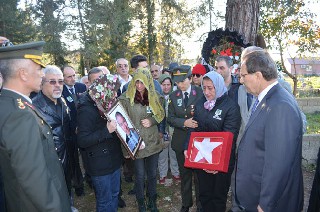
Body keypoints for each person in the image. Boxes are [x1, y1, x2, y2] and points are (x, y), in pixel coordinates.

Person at [0, 41, 71, 211]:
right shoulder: (19, 114)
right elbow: (33, 178)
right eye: (39, 69)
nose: (41, 75)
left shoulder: (11, 104)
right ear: (23, 74)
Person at [235, 50, 304, 212]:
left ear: (258, 75)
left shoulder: (280, 106)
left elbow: (278, 164)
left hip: (272, 203)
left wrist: (266, 204)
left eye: (244, 75)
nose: (241, 80)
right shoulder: (268, 99)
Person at [184, 71, 241, 212]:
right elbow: (193, 127)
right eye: (204, 88)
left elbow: (229, 137)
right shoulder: (200, 103)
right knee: (204, 196)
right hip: (202, 159)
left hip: (221, 163)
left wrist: (215, 162)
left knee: (217, 198)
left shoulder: (231, 107)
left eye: (210, 88)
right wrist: (188, 147)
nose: (207, 92)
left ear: (219, 86)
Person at [118, 67, 165, 212]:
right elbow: (120, 122)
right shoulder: (125, 98)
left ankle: (152, 200)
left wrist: (152, 121)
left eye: (142, 83)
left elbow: (161, 114)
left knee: (151, 175)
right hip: (136, 143)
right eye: (136, 82)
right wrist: (127, 145)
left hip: (152, 142)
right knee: (139, 176)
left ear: (148, 82)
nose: (139, 86)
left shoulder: (155, 96)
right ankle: (141, 202)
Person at [77, 73, 123, 212]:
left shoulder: (104, 101)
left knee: (114, 194)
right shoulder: (86, 109)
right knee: (104, 201)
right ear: (103, 90)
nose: (114, 96)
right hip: (99, 164)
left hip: (113, 159)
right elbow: (82, 140)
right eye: (112, 93)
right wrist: (106, 130)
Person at [32, 65, 74, 203]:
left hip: (67, 159)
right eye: (52, 81)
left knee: (67, 196)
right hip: (49, 165)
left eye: (60, 81)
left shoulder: (62, 100)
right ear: (42, 83)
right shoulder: (34, 107)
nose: (58, 85)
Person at [167, 65, 203, 212]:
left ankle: (200, 204)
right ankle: (186, 204)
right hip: (181, 141)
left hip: (198, 141)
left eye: (182, 81)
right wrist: (184, 123)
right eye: (177, 82)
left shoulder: (200, 92)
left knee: (199, 177)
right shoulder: (173, 96)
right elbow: (170, 118)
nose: (180, 84)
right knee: (185, 174)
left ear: (190, 78)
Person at [62, 65, 86, 196]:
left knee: (87, 156)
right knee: (74, 159)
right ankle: (78, 184)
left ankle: (90, 179)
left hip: (85, 128)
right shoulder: (60, 91)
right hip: (70, 132)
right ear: (63, 78)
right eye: (69, 76)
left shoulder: (81, 87)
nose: (73, 79)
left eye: (74, 75)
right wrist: (73, 127)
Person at [158, 74, 180, 184]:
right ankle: (163, 174)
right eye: (163, 85)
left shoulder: (175, 96)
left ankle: (176, 173)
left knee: (173, 153)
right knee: (162, 153)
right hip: (162, 130)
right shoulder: (157, 97)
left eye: (168, 84)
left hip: (173, 129)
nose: (166, 87)